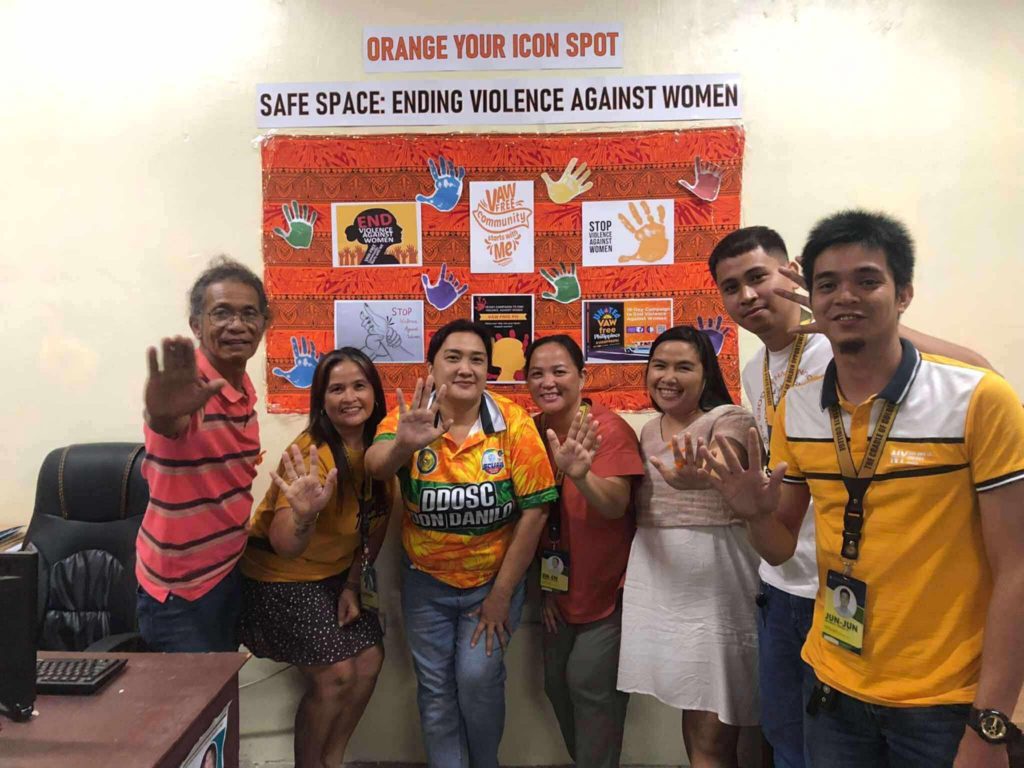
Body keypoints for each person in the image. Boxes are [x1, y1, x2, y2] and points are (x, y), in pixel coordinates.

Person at [703, 210, 1024, 767]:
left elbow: (1016, 568)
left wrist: (991, 721)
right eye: (731, 287)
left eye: (867, 282)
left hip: (938, 690)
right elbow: (779, 535)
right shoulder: (776, 386)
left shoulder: (970, 397)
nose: (748, 295)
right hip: (827, 644)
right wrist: (751, 511)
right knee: (786, 738)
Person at [365, 319, 558, 768]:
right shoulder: (409, 418)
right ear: (432, 365)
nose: (465, 368)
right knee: (435, 690)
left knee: (477, 679)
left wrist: (501, 596)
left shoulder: (512, 423)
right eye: (453, 357)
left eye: (477, 359)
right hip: (425, 585)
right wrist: (402, 447)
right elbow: (376, 466)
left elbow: (536, 511)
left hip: (491, 585)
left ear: (489, 369)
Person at [238, 348, 390, 768]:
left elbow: (373, 527)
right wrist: (304, 517)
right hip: (277, 580)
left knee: (370, 659)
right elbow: (286, 543)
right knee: (335, 674)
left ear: (375, 393)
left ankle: (331, 759)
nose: (349, 397)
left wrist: (352, 585)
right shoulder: (310, 454)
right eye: (335, 389)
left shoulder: (383, 449)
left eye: (359, 386)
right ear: (320, 400)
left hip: (332, 579)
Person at [617, 325, 760, 768]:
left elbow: (723, 459)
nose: (668, 376)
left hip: (715, 574)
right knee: (688, 699)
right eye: (659, 366)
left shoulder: (730, 417)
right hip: (658, 575)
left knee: (716, 714)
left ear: (705, 374)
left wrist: (701, 475)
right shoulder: (645, 430)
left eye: (684, 367)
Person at [136, 257, 267, 652]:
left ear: (263, 325)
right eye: (221, 313)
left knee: (223, 704)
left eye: (249, 314)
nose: (237, 325)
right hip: (181, 591)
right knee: (197, 713)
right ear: (197, 325)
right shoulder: (188, 387)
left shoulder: (241, 384)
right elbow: (167, 423)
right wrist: (164, 410)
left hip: (226, 569)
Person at [524, 335, 644, 768]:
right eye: (536, 373)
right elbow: (533, 516)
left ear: (582, 377)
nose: (547, 382)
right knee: (556, 685)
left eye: (559, 371)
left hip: (610, 592)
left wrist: (580, 473)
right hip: (558, 592)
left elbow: (615, 505)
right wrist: (546, 587)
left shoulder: (606, 428)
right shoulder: (530, 431)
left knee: (589, 684)